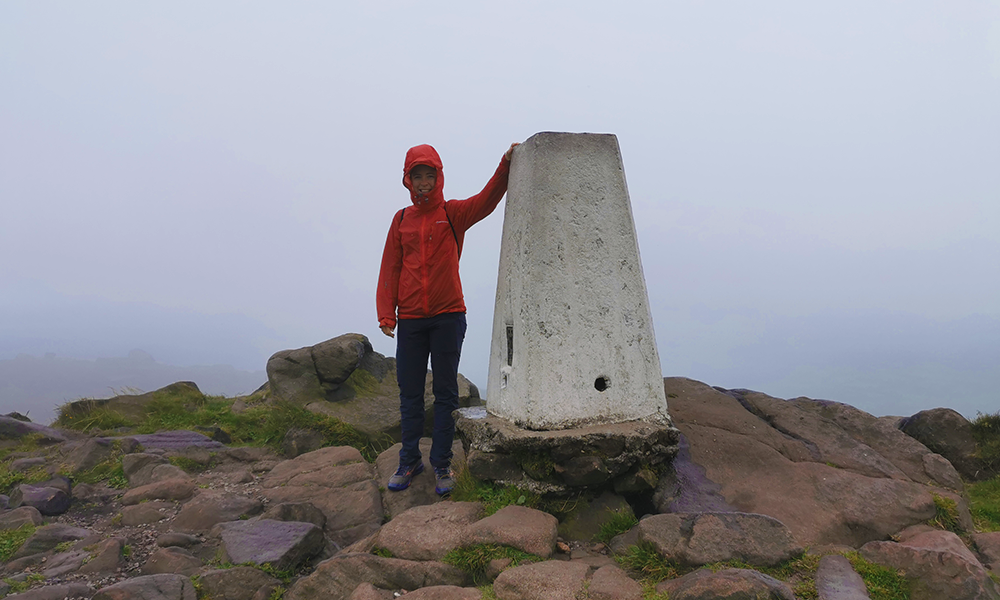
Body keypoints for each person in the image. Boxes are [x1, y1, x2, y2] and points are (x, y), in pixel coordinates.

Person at [377, 141, 518, 495]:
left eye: (429, 175)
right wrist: (387, 313)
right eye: (417, 176)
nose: (423, 182)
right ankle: (409, 460)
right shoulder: (401, 220)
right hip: (411, 319)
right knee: (410, 393)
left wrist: (505, 164)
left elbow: (486, 201)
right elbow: (391, 267)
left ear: (439, 177)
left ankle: (441, 463)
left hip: (448, 316)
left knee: (445, 393)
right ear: (408, 180)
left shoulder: (452, 213)